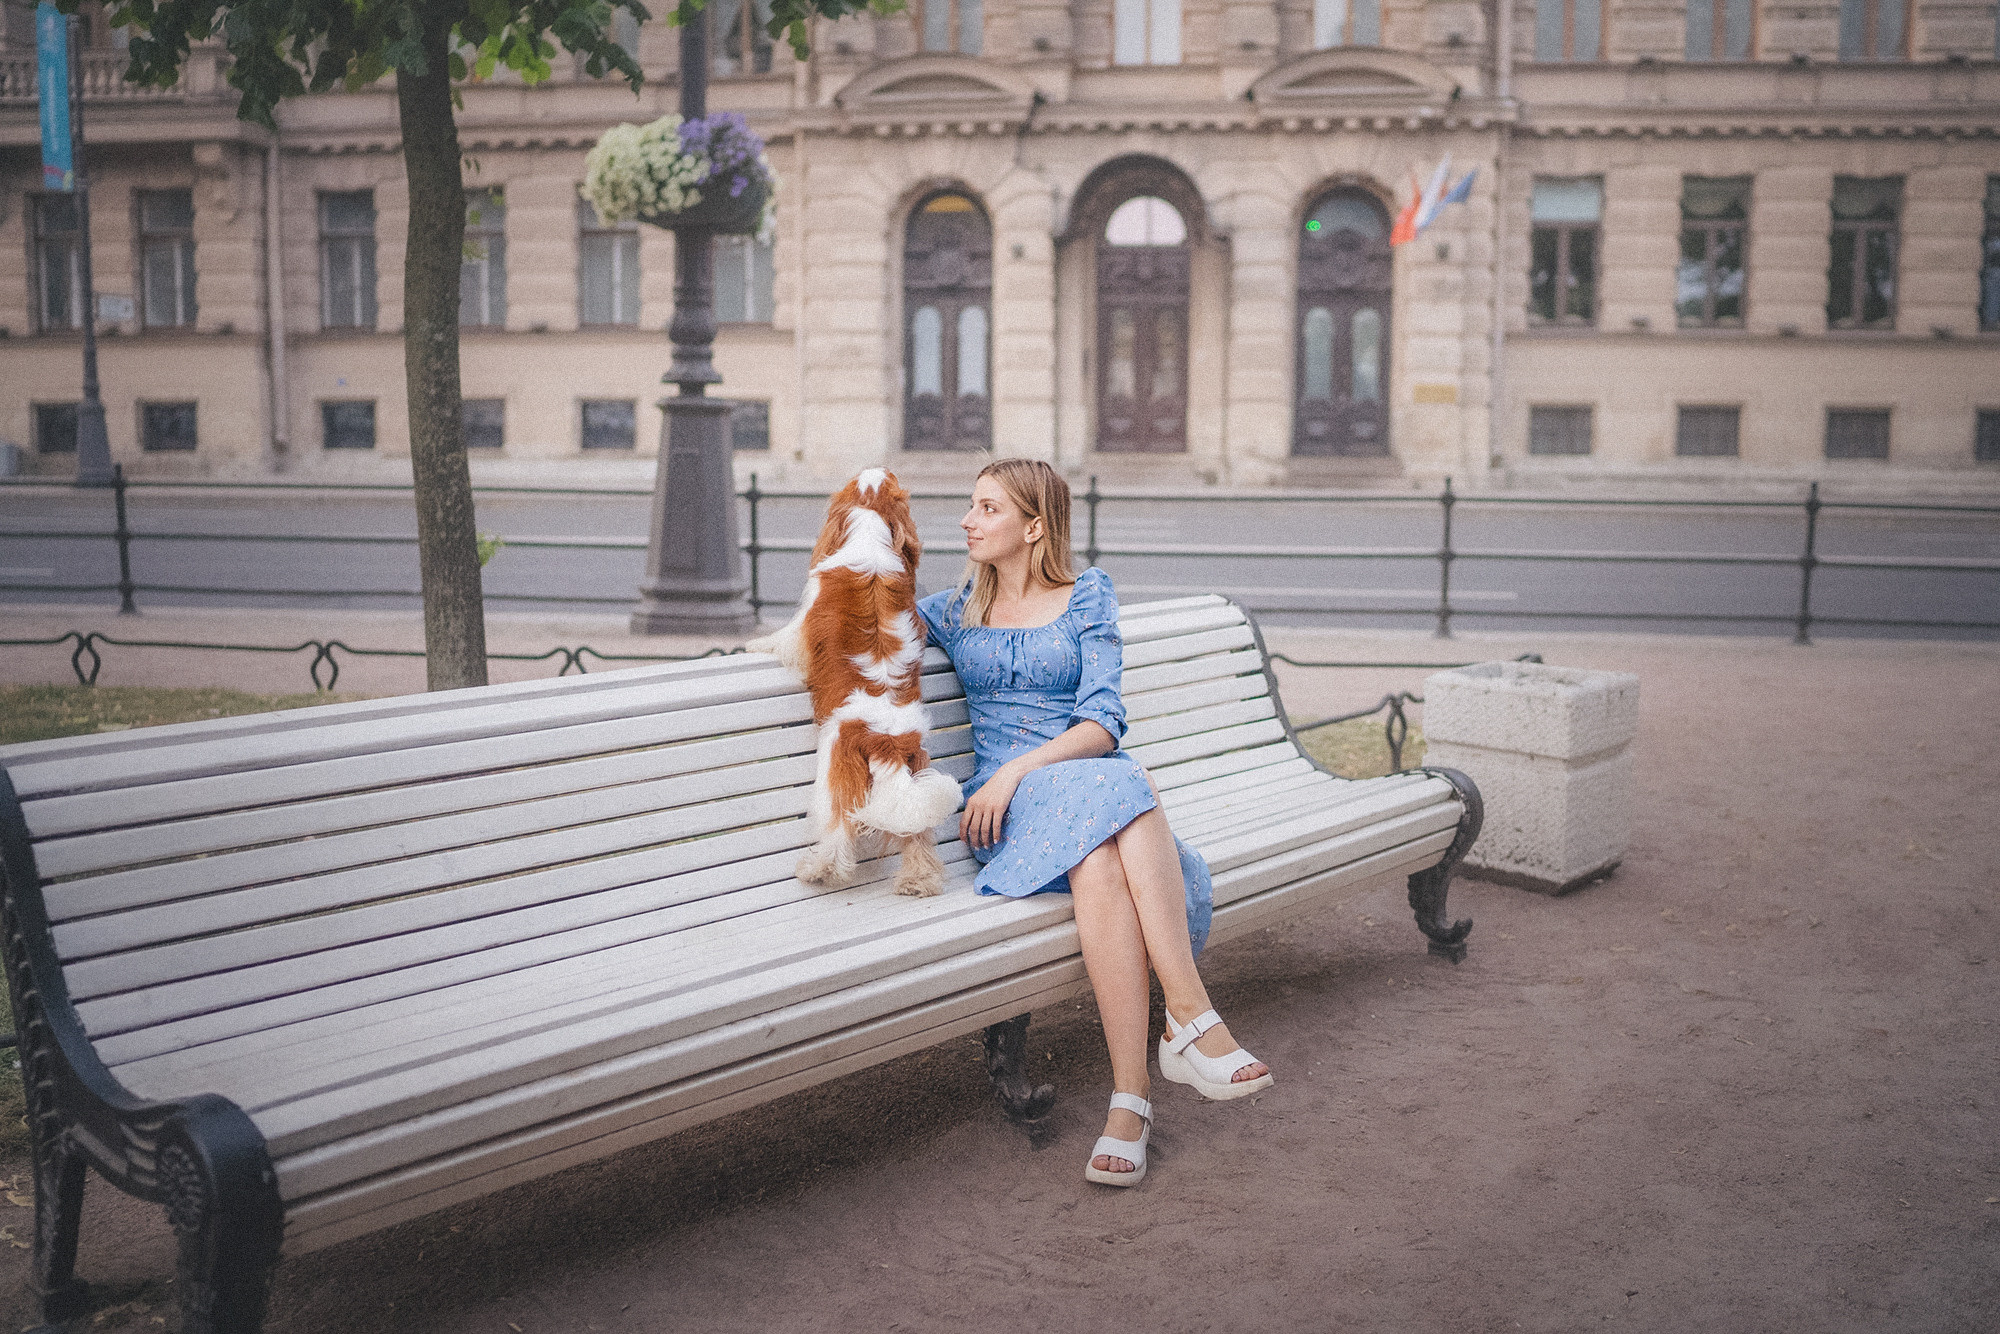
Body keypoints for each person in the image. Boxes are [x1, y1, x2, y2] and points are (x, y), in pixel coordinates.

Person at [916, 458, 1273, 1189]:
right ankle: (1190, 1017)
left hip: (1080, 790)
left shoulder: (1088, 597)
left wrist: (1022, 767)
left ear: (1034, 527)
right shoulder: (951, 611)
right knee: (1129, 786)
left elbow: (1103, 723)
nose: (968, 521)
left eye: (988, 508)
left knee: (1103, 852)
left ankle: (1129, 1103)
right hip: (1006, 815)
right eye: (972, 506)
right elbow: (858, 623)